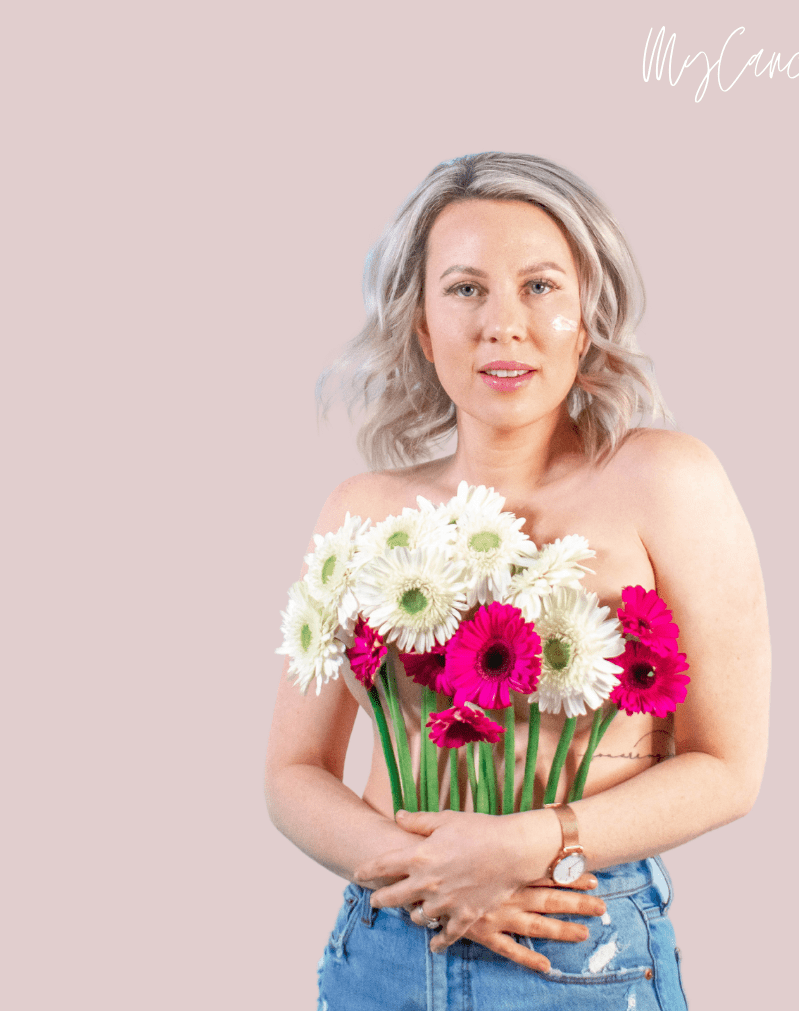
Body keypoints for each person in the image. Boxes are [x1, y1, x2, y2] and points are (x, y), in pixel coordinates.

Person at [264, 152, 770, 1010]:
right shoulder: (361, 508)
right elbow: (293, 771)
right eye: (464, 289)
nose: (503, 324)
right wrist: (431, 869)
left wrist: (531, 841)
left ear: (585, 316)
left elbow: (727, 765)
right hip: (387, 945)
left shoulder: (667, 481)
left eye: (539, 286)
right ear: (422, 327)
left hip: (580, 943)